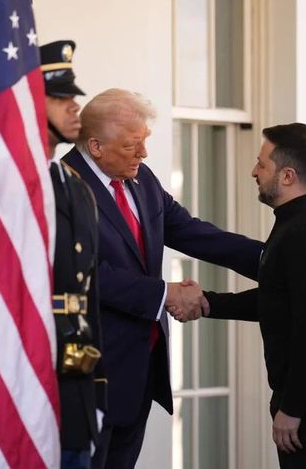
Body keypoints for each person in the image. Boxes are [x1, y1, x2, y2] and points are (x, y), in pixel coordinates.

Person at [61, 88, 263, 469]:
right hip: (89, 377)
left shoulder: (142, 180)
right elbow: (87, 274)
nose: (143, 153)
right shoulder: (62, 189)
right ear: (96, 146)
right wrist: (164, 293)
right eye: (132, 145)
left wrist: (271, 258)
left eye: (145, 141)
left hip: (141, 371)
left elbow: (190, 231)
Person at [173, 123, 306, 468]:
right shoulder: (297, 221)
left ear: (288, 176)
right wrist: (208, 302)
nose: (254, 172)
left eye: (262, 164)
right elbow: (280, 302)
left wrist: (292, 408)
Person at [40, 40, 106, 469]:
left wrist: (97, 391)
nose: (74, 106)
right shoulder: (13, 185)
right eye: (60, 98)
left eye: (73, 97)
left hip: (75, 381)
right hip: (31, 376)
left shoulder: (74, 186)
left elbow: (87, 295)